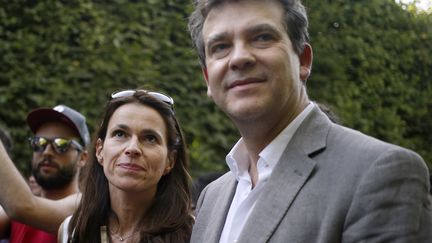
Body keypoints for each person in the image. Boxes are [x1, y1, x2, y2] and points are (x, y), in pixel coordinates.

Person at [187, 0, 432, 242]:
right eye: (220, 47)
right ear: (208, 79)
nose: (239, 58)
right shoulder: (212, 198)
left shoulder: (380, 173)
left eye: (262, 37)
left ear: (303, 60)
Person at [58, 89, 193, 242]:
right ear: (100, 150)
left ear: (170, 160)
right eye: (120, 134)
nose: (132, 148)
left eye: (150, 138)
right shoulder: (71, 231)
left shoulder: (197, 234)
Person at [0, 104, 89, 242]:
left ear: (82, 158)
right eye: (39, 142)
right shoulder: (18, 208)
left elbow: (22, 207)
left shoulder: (84, 206)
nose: (47, 152)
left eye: (61, 144)